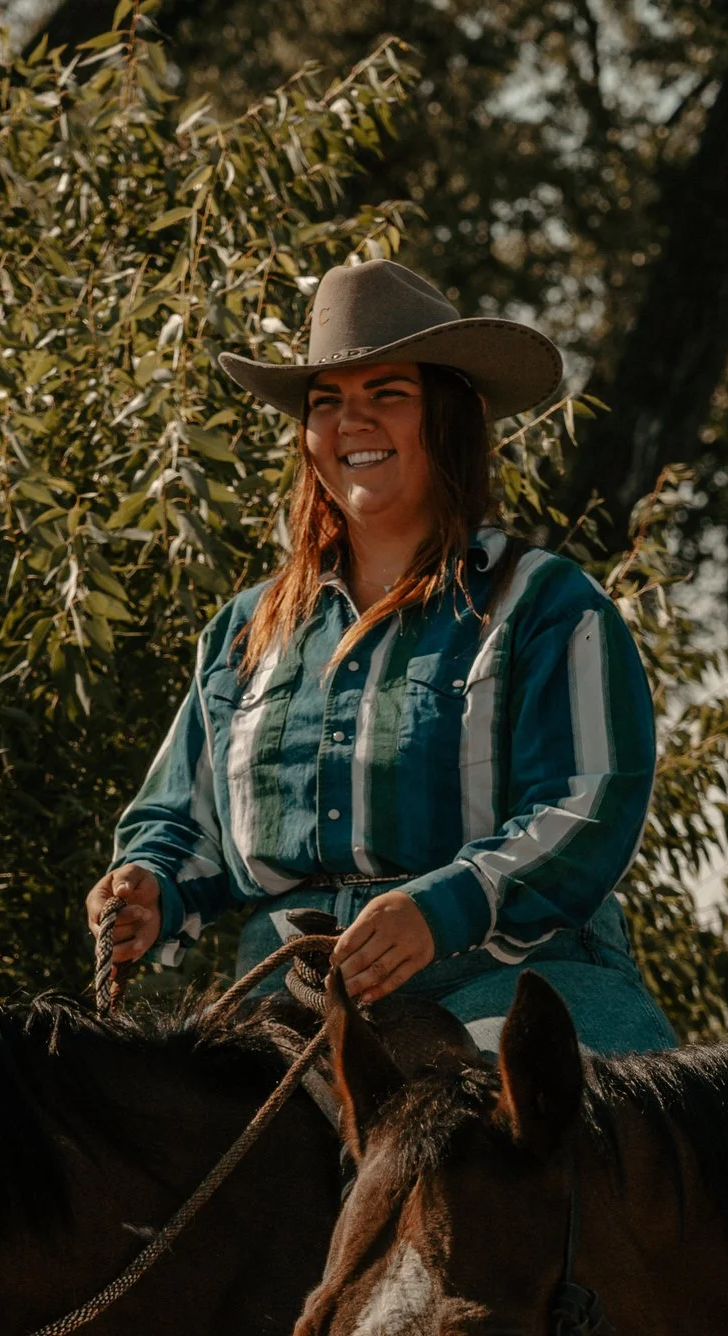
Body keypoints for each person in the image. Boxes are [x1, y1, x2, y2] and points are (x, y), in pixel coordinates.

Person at [86, 259, 675, 1057]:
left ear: (449, 418)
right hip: (286, 999)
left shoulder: (546, 605)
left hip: (514, 983)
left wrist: (442, 908)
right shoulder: (246, 630)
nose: (350, 423)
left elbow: (588, 803)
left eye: (386, 395)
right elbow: (178, 821)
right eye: (326, 403)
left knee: (494, 1157)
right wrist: (148, 886)